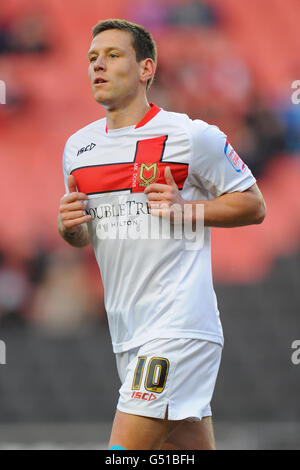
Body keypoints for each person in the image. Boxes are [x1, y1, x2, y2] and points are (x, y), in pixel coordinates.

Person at [58, 19, 266, 450]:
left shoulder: (191, 136)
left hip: (178, 326)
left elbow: (253, 205)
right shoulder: (77, 149)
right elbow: (87, 235)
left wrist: (185, 209)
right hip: (127, 331)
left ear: (145, 69)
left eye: (113, 55)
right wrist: (71, 229)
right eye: (92, 58)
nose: (98, 65)